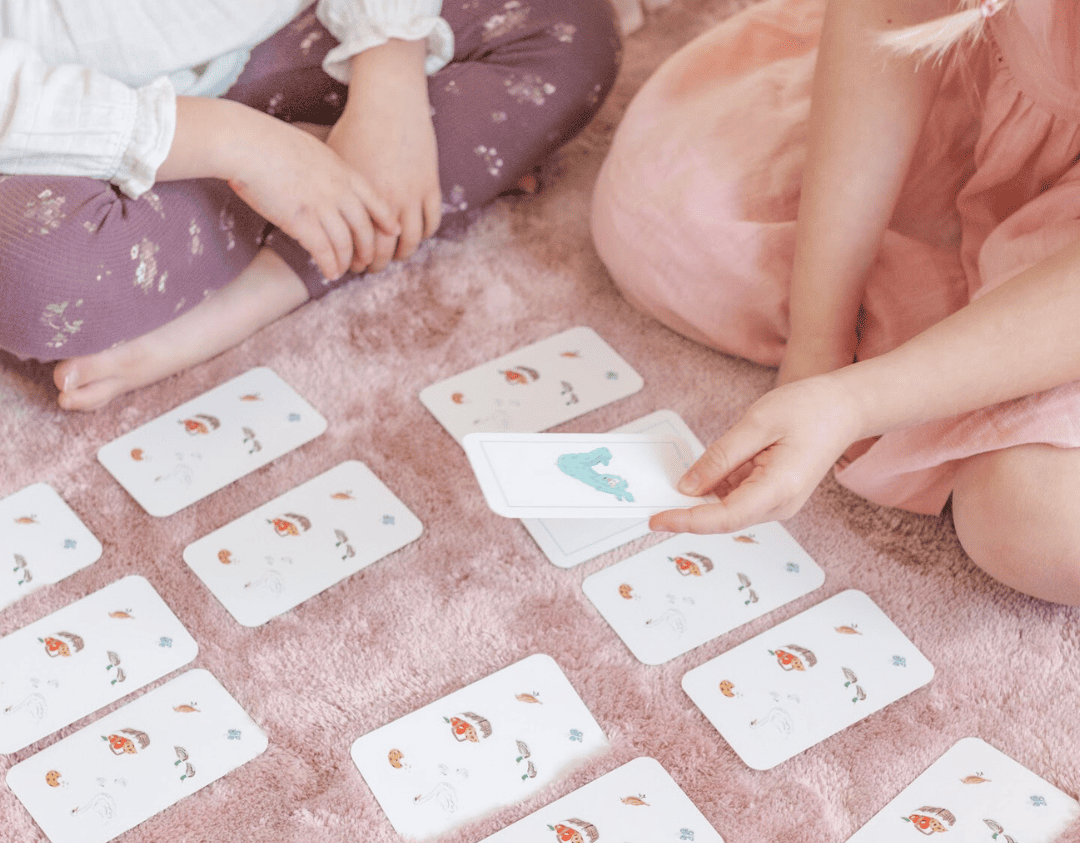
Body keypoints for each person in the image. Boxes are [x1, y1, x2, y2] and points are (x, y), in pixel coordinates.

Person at [591, 0, 1080, 605]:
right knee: (655, 217)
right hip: (982, 89)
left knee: (1040, 523)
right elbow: (888, 23)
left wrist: (854, 402)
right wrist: (818, 337)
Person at [0, 0, 620, 410]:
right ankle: (331, 173)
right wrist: (235, 145)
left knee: (570, 22)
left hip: (305, 31)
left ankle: (270, 283)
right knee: (31, 275)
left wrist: (391, 74)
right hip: (64, 118)